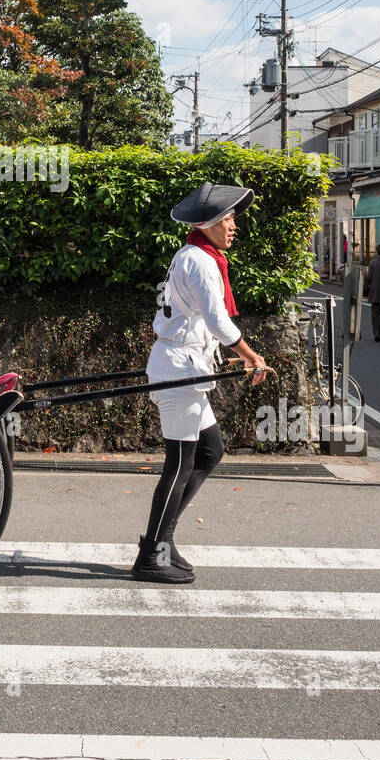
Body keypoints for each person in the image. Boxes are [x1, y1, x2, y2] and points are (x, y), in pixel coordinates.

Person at [133, 182, 268, 585]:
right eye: (227, 218)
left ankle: (163, 539)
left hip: (186, 364)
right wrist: (249, 354)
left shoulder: (194, 254)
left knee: (210, 450)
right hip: (180, 370)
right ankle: (151, 555)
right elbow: (217, 319)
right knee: (179, 463)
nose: (233, 226)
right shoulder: (200, 260)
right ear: (207, 223)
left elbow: (198, 322)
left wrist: (220, 352)